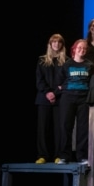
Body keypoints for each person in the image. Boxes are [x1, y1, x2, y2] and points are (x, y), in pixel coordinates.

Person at [57, 39, 94, 164]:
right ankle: (64, 156)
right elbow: (59, 81)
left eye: (84, 48)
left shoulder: (90, 65)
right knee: (65, 126)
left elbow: (93, 83)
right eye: (79, 47)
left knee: (83, 128)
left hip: (83, 99)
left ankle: (82, 156)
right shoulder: (67, 64)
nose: (82, 50)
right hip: (67, 98)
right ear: (74, 49)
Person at [36, 34, 67, 164]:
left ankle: (58, 155)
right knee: (43, 129)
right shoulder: (42, 60)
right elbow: (39, 80)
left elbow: (67, 81)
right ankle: (43, 155)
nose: (56, 44)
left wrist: (56, 93)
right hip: (44, 98)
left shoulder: (67, 61)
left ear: (62, 45)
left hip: (60, 99)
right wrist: (48, 93)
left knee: (60, 129)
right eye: (54, 42)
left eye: (59, 42)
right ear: (50, 44)